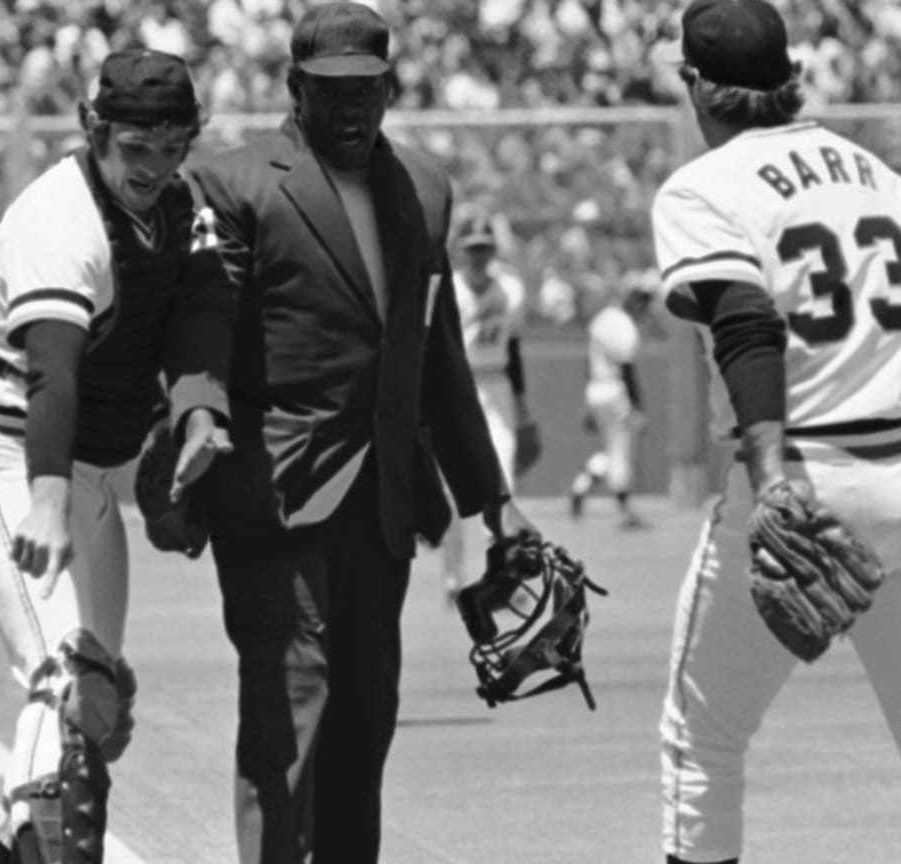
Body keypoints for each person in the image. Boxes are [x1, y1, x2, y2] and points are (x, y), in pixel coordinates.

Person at [650, 2, 901, 863]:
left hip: (801, 472)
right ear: (789, 76)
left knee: (701, 744)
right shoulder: (884, 178)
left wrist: (769, 479)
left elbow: (745, 322)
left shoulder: (701, 187)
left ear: (695, 84)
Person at [186, 4, 544, 861]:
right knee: (289, 710)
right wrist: (197, 411)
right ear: (293, 90)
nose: (351, 110)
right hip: (275, 496)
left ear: (391, 88)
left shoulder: (425, 186)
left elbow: (441, 357)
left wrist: (492, 501)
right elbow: (201, 324)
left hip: (382, 502)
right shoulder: (234, 183)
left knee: (366, 716)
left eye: (368, 91)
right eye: (330, 93)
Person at [0, 49, 234, 864]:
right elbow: (51, 375)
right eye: (138, 147)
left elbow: (196, 314)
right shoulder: (58, 220)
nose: (156, 166)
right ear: (92, 129)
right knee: (67, 685)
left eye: (175, 147)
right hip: (8, 456)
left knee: (98, 705)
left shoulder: (178, 205)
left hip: (88, 466)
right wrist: (48, 503)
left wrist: (193, 415)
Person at [439, 211, 536, 605]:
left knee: (502, 484)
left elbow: (513, 348)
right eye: (471, 249)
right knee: (450, 492)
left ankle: (501, 578)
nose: (479, 256)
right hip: (457, 386)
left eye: (485, 248)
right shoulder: (450, 290)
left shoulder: (509, 288)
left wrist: (523, 404)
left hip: (496, 385)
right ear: (459, 252)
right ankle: (451, 578)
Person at [569, 282, 653, 530]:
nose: (644, 307)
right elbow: (627, 368)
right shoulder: (625, 325)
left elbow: (589, 359)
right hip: (616, 388)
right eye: (642, 301)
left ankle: (582, 485)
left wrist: (587, 397)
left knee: (612, 448)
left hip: (596, 386)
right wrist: (637, 406)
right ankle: (624, 510)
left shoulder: (603, 317)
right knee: (621, 450)